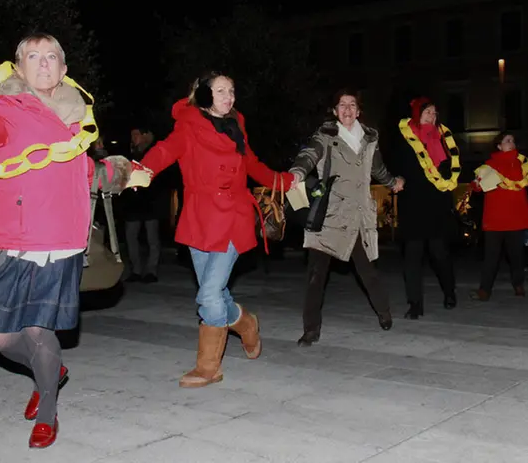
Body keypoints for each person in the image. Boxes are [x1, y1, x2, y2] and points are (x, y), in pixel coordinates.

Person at [0, 33, 143, 448]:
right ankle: (49, 372)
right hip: (7, 241)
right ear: (17, 68)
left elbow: (82, 173)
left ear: (64, 69)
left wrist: (123, 174)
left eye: (51, 56)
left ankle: (48, 409)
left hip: (61, 241)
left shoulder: (77, 116)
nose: (42, 63)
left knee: (39, 331)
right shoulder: (0, 109)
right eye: (32, 56)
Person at [140, 71, 294, 387]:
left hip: (234, 216)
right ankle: (246, 323)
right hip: (199, 219)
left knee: (208, 293)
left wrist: (285, 181)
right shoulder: (188, 127)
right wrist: (140, 170)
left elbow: (252, 164)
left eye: (232, 91)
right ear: (205, 95)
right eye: (221, 90)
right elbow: (165, 151)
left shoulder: (237, 127)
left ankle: (208, 368)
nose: (229, 97)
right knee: (218, 293)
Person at [289, 89, 404, 346]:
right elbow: (309, 155)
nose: (348, 109)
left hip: (357, 215)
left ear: (359, 111)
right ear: (335, 111)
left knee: (367, 271)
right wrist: (297, 172)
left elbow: (378, 169)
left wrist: (392, 182)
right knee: (316, 274)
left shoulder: (369, 139)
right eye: (342, 105)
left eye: (352, 105)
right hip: (329, 215)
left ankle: (384, 313)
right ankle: (311, 330)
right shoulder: (326, 136)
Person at [392, 97, 459, 319]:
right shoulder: (404, 138)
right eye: (427, 112)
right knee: (412, 254)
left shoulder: (444, 139)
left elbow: (455, 167)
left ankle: (449, 292)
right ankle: (415, 304)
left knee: (439, 253)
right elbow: (396, 164)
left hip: (437, 201)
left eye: (434, 112)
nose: (431, 116)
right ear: (416, 114)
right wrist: (397, 178)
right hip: (412, 202)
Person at [469, 130, 528, 300]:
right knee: (491, 257)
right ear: (499, 145)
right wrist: (476, 184)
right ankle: (484, 290)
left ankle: (518, 284)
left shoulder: (523, 163)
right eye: (507, 140)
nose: (511, 143)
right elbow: (477, 187)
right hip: (495, 218)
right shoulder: (489, 165)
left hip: (516, 217)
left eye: (512, 140)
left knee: (517, 256)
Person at [121, 126, 165, 283]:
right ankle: (136, 270)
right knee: (131, 237)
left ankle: (151, 271)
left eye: (136, 135)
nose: (133, 138)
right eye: (132, 134)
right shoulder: (129, 152)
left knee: (152, 238)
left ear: (145, 135)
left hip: (151, 201)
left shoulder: (153, 151)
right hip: (133, 202)